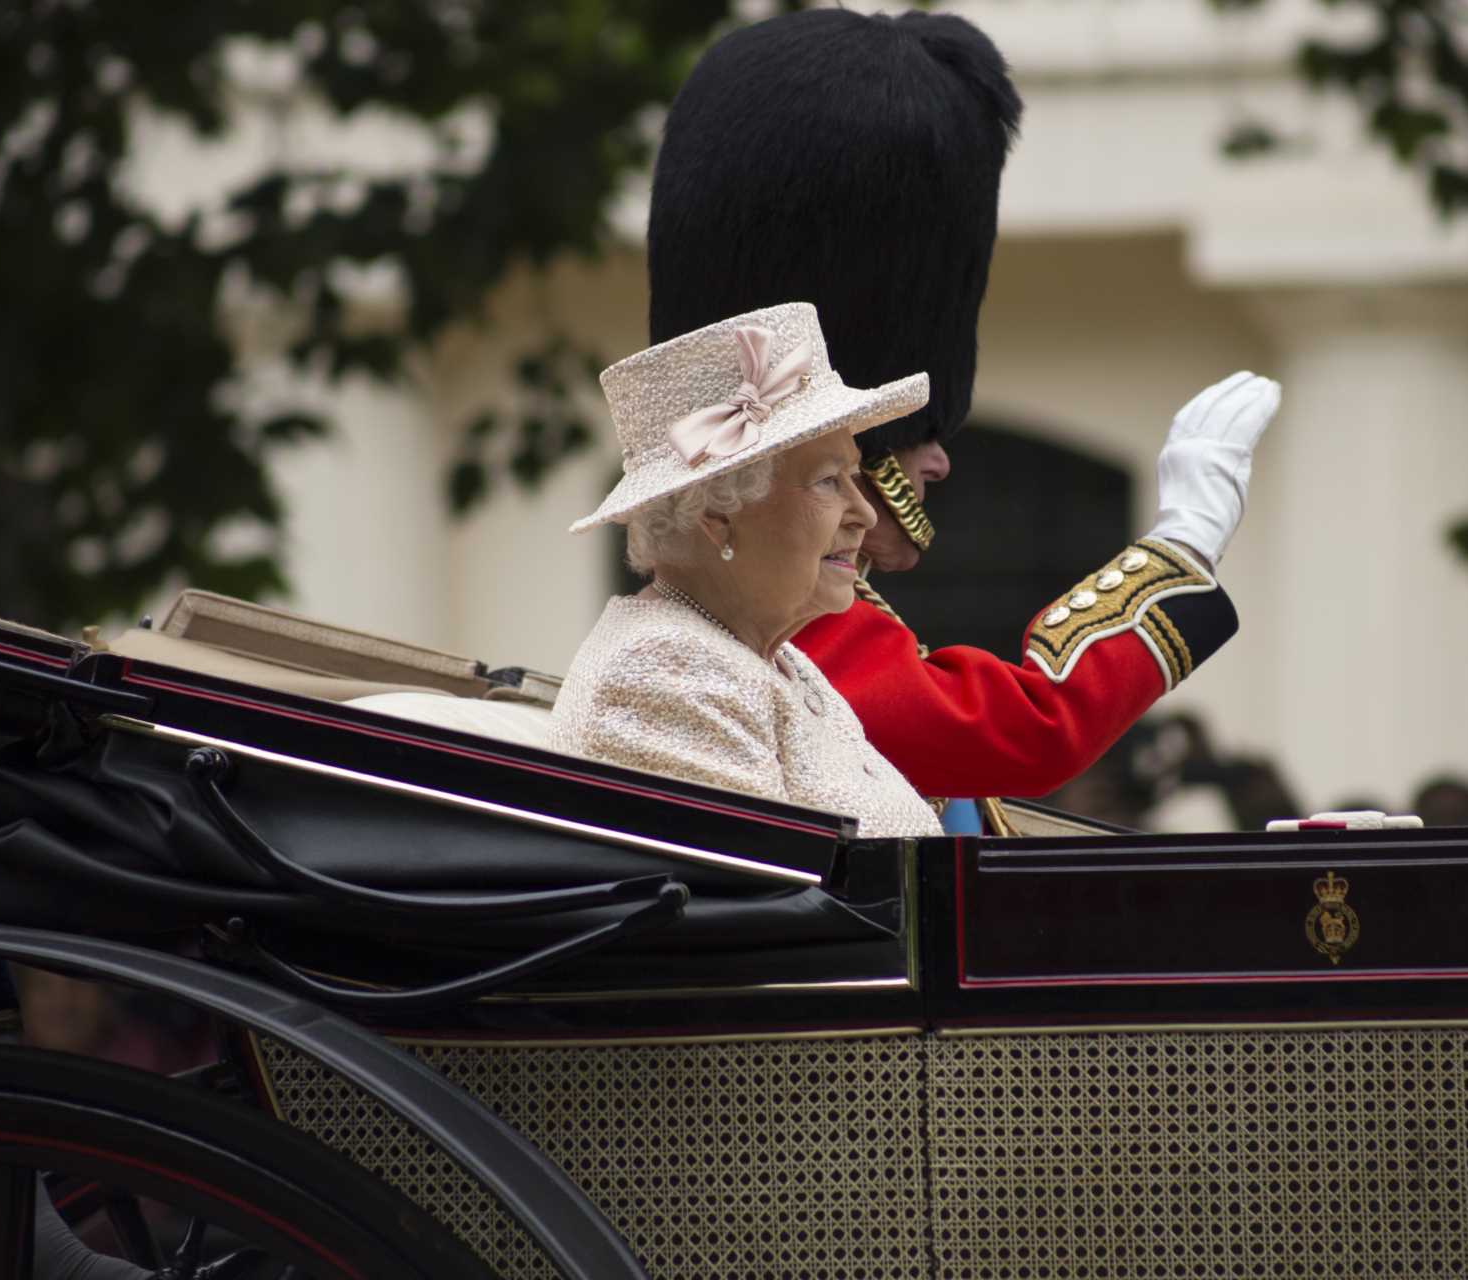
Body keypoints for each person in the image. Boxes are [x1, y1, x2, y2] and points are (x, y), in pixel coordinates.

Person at [648, 9, 1278, 833]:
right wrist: (1181, 546)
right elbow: (1028, 727)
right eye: (846, 460)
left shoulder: (803, 620)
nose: (939, 461)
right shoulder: (784, 628)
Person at [548, 303, 943, 838]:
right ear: (717, 517)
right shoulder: (670, 671)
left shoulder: (773, 659)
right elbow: (781, 911)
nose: (866, 514)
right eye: (829, 481)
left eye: (855, 475)